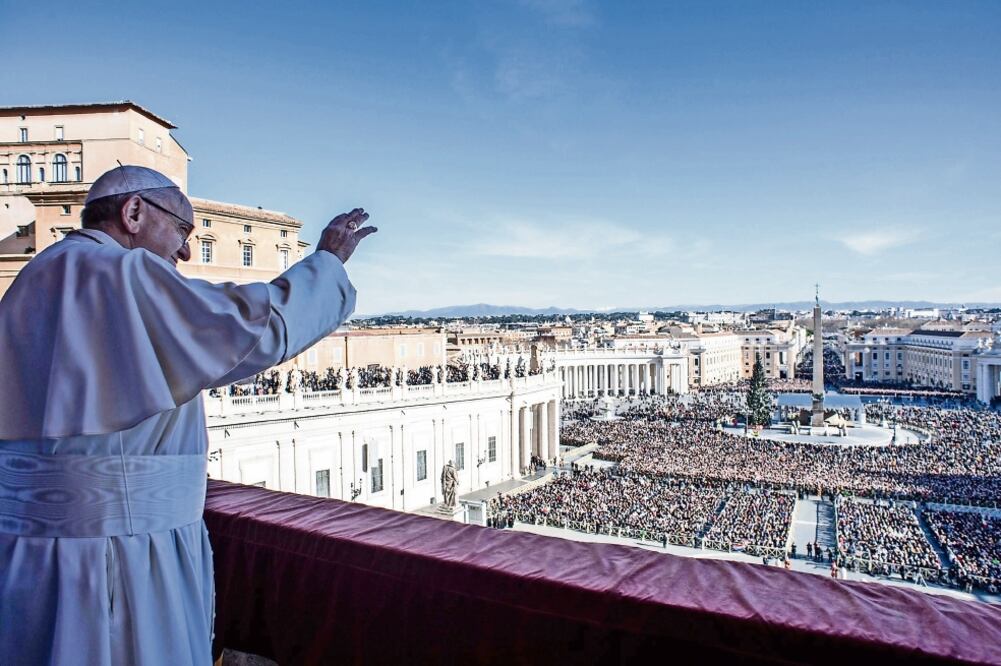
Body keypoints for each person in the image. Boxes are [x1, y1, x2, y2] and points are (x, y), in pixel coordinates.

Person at [0, 166, 377, 665]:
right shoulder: (118, 273)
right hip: (118, 558)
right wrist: (326, 264)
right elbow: (254, 329)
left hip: (27, 555)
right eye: (182, 230)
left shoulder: (30, 280)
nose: (183, 253)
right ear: (134, 212)